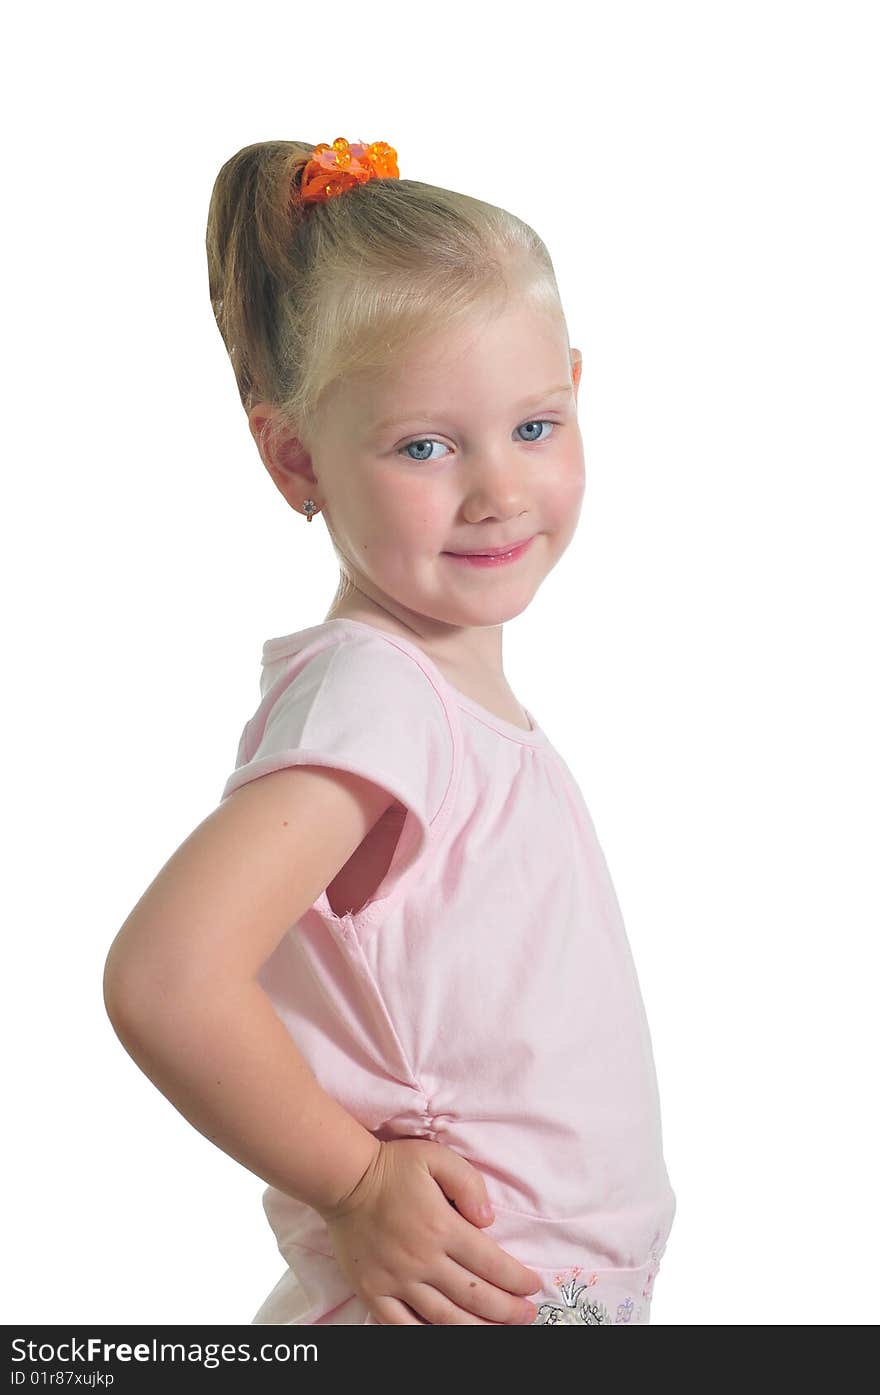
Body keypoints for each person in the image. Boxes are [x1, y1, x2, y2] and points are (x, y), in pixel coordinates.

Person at [102, 136, 676, 1327]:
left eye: (534, 425)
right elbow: (167, 977)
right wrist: (358, 1186)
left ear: (578, 386)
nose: (497, 491)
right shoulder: (383, 698)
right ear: (295, 457)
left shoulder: (438, 702)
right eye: (425, 446)